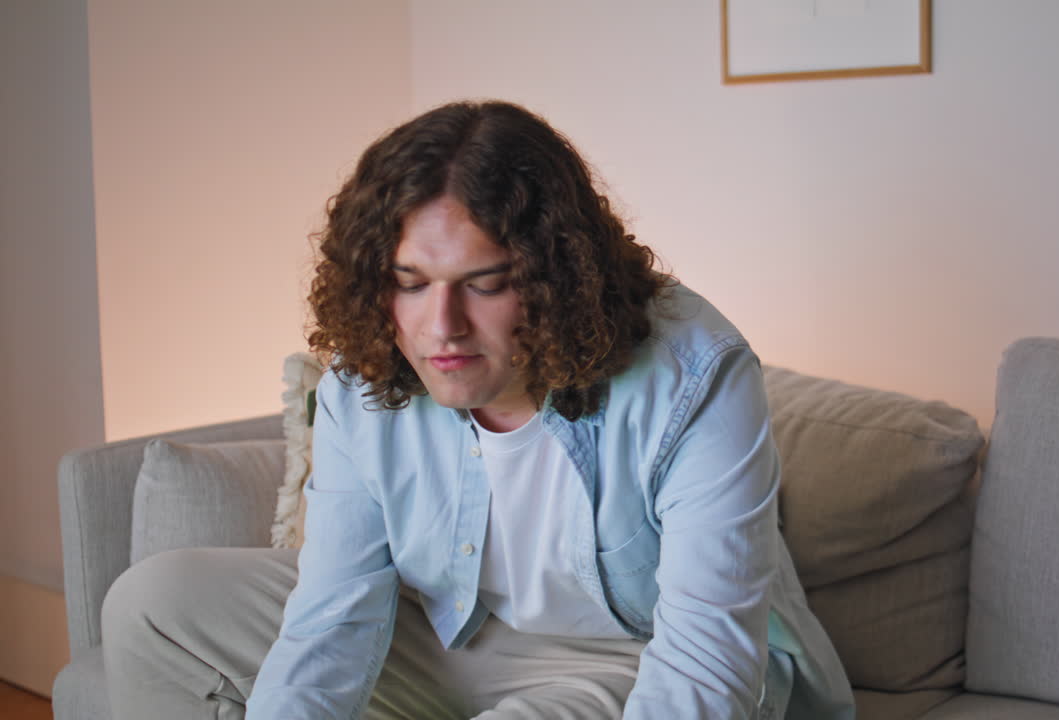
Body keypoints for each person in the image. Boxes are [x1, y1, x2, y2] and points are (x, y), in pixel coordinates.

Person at [102, 100, 855, 719]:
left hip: (637, 658)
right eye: (410, 282)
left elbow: (704, 662)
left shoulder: (697, 376)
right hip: (456, 637)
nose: (441, 327)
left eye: (485, 283)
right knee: (157, 602)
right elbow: (334, 615)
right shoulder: (364, 382)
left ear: (557, 275)